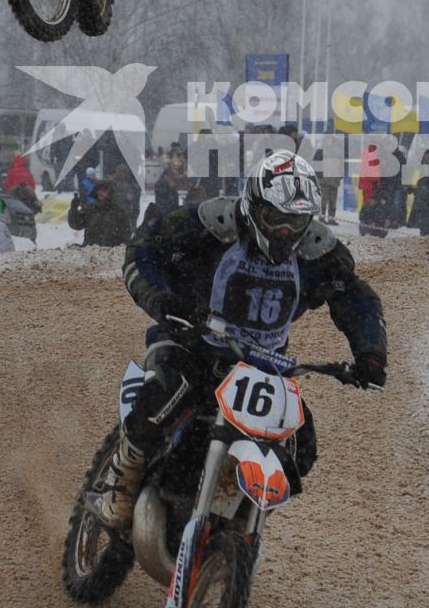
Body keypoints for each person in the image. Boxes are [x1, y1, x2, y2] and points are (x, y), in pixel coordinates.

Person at [86, 151, 386, 528]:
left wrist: (371, 355)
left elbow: (355, 298)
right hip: (191, 341)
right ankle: (121, 479)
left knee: (301, 446)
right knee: (164, 396)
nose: (284, 232)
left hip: (262, 366)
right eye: (276, 219)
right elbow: (144, 249)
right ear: (253, 205)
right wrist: (163, 300)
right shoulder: (211, 224)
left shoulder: (316, 251)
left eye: (296, 222)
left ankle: (236, 521)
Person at [69, 175, 132, 247]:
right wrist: (74, 209)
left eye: (104, 190)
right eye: (99, 189)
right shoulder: (90, 209)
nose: (100, 192)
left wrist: (115, 247)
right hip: (90, 251)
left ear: (111, 193)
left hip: (110, 252)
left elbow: (126, 236)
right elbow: (76, 225)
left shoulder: (119, 212)